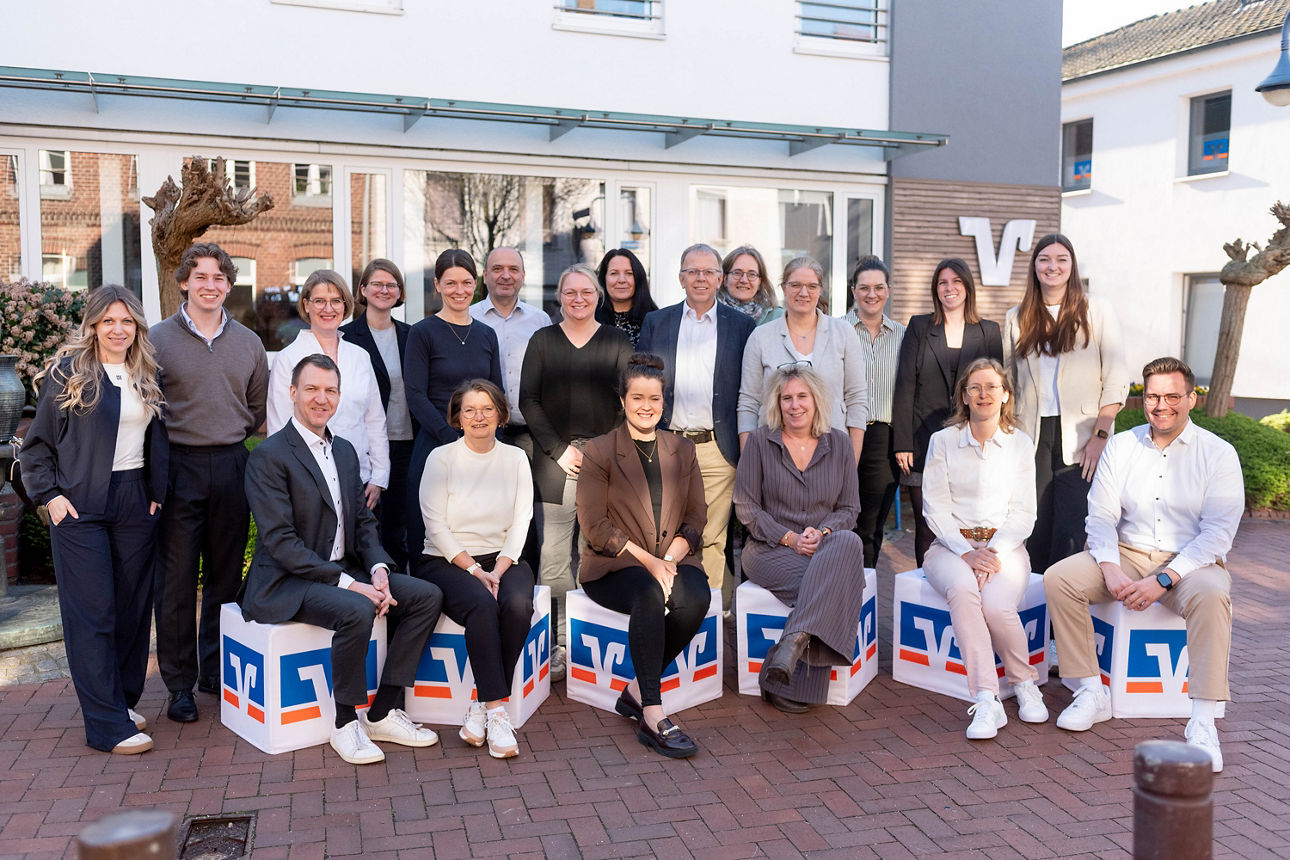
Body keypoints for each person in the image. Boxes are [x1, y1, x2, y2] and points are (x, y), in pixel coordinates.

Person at [241, 355, 444, 766]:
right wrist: (353, 585)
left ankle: (383, 711)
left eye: (330, 390)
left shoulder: (346, 451)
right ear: (293, 392)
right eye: (312, 389)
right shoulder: (270, 455)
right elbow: (281, 543)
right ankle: (345, 722)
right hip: (286, 580)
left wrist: (379, 570)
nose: (321, 398)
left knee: (426, 596)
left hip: (342, 571)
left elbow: (364, 523)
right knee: (355, 609)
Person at [1045, 357, 1242, 773]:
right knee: (1060, 578)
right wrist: (1110, 566)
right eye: (1153, 396)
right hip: (1128, 551)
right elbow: (1099, 517)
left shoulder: (1219, 454)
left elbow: (1218, 534)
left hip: (1190, 561)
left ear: (1191, 399)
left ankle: (1203, 722)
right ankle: (1090, 691)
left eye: (1173, 396)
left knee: (1212, 594)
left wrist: (1165, 580)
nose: (1162, 404)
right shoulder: (1120, 446)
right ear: (1143, 399)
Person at [21, 286, 169, 754]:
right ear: (93, 326)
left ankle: (121, 702)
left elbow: (157, 440)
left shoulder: (145, 372)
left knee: (131, 609)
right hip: (80, 506)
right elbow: (37, 444)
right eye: (108, 321)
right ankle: (105, 727)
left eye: (126, 321)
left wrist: (155, 495)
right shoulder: (69, 374)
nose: (118, 329)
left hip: (133, 500)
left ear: (137, 327)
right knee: (94, 614)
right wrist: (50, 497)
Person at [150, 242, 268, 724]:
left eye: (219, 278)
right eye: (201, 277)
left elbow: (257, 412)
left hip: (231, 464)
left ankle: (213, 671)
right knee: (176, 582)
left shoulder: (249, 343)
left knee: (225, 578)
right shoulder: (156, 339)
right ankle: (179, 685)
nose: (211, 285)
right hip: (177, 465)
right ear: (184, 282)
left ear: (229, 284)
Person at [576, 353, 711, 758]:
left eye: (654, 398)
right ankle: (652, 713)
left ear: (664, 401)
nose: (646, 406)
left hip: (672, 556)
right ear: (622, 401)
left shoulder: (682, 449)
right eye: (637, 397)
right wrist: (651, 563)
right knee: (649, 594)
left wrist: (669, 557)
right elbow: (594, 525)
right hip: (614, 565)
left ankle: (635, 690)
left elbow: (696, 515)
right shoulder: (600, 451)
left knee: (696, 597)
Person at [921, 358, 1047, 739]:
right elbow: (934, 507)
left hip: (1004, 548)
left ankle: (1024, 682)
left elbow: (1025, 510)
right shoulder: (942, 442)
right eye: (975, 387)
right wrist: (966, 552)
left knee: (995, 604)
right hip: (949, 546)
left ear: (1005, 394)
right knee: (963, 590)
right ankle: (988, 699)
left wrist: (992, 552)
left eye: (992, 386)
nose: (983, 394)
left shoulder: (1020, 444)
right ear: (964, 395)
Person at [519, 264, 632, 681]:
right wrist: (559, 449)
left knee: (597, 551)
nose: (578, 299)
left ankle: (594, 637)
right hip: (554, 462)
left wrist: (603, 453)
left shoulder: (617, 341)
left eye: (586, 292)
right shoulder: (543, 340)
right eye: (570, 292)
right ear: (560, 297)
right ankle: (561, 642)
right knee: (553, 558)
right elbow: (528, 400)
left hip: (605, 462)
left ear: (598, 296)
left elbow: (630, 400)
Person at [411, 379, 534, 759]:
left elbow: (522, 518)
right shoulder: (441, 458)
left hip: (503, 557)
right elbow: (435, 524)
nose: (479, 416)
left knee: (517, 605)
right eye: (470, 410)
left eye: (487, 409)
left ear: (501, 415)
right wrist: (475, 571)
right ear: (457, 418)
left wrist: (497, 568)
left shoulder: (515, 458)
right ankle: (499, 711)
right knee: (482, 604)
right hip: (446, 560)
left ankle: (481, 704)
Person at [732, 366, 866, 713]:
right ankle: (790, 666)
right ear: (777, 403)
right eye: (787, 397)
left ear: (816, 400)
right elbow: (746, 508)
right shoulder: (761, 441)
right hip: (769, 550)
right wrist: (789, 537)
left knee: (849, 543)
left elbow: (850, 509)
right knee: (838, 585)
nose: (795, 405)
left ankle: (784, 657)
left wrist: (822, 533)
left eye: (802, 396)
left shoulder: (838, 442)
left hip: (826, 548)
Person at [1003, 234, 1128, 574]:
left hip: (1082, 434)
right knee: (1035, 526)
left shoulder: (1096, 310)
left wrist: (1099, 438)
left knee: (1071, 530)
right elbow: (1009, 382)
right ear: (1034, 267)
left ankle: (1063, 618)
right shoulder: (1017, 317)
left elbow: (1116, 377)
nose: (1052, 266)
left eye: (1061, 259)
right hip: (1032, 434)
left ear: (1071, 266)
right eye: (1044, 259)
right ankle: (1037, 613)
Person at [638, 243, 755, 603]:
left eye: (708, 272)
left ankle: (709, 619)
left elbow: (748, 390)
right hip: (666, 446)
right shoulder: (657, 322)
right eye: (693, 271)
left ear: (720, 279)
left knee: (713, 539)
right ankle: (665, 610)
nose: (700, 278)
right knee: (661, 535)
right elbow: (640, 380)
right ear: (680, 278)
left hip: (717, 449)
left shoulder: (742, 326)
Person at [893, 258, 1004, 565]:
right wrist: (902, 442)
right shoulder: (919, 327)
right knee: (928, 527)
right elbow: (905, 385)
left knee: (967, 528)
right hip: (923, 442)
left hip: (972, 444)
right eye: (943, 282)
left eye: (956, 282)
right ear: (936, 289)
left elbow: (996, 391)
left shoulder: (989, 332)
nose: (949, 288)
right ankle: (929, 590)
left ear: (967, 287)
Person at [404, 249, 503, 558]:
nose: (459, 291)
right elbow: (415, 395)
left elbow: (496, 394)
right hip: (436, 446)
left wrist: (480, 438)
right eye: (450, 283)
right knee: (431, 534)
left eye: (466, 282)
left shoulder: (487, 335)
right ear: (437, 285)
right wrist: (456, 440)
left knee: (480, 531)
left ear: (476, 284)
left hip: (483, 448)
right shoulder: (422, 333)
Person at [266, 269, 389, 514]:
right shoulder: (287, 359)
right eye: (319, 301)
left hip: (359, 480)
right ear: (306, 305)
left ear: (345, 305)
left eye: (335, 301)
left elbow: (374, 420)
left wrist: (379, 477)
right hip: (306, 482)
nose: (328, 309)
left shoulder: (360, 357)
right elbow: (279, 427)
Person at [738, 255, 867, 466]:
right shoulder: (761, 337)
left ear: (820, 289)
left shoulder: (844, 333)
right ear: (783, 288)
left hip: (832, 452)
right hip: (773, 455)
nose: (803, 292)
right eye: (796, 285)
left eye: (811, 286)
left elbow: (857, 398)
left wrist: (851, 460)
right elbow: (748, 402)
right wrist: (749, 459)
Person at [340, 259, 416, 569]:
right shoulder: (346, 336)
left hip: (408, 441)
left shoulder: (413, 335)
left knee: (399, 527)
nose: (384, 290)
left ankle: (400, 596)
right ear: (363, 290)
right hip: (366, 444)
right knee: (365, 525)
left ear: (400, 293)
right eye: (377, 284)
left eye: (391, 285)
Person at [843, 255, 906, 568]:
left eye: (878, 287)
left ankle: (862, 596)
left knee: (871, 524)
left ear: (888, 290)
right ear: (853, 290)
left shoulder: (904, 336)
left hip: (883, 438)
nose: (871, 294)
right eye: (864, 287)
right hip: (839, 435)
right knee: (839, 520)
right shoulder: (835, 330)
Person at [469, 247, 552, 461]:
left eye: (513, 269)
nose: (506, 275)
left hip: (531, 435)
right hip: (479, 434)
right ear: (485, 276)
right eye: (497, 269)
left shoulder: (540, 321)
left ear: (523, 276)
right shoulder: (468, 319)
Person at [595, 248, 657, 348]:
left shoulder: (656, 321)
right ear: (604, 278)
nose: (621, 280)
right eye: (614, 273)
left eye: (629, 273)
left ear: (638, 278)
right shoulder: (590, 319)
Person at [718, 244, 781, 325]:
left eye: (752, 274)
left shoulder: (778, 318)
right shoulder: (710, 313)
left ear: (760, 281)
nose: (744, 280)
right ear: (725, 279)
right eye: (737, 273)